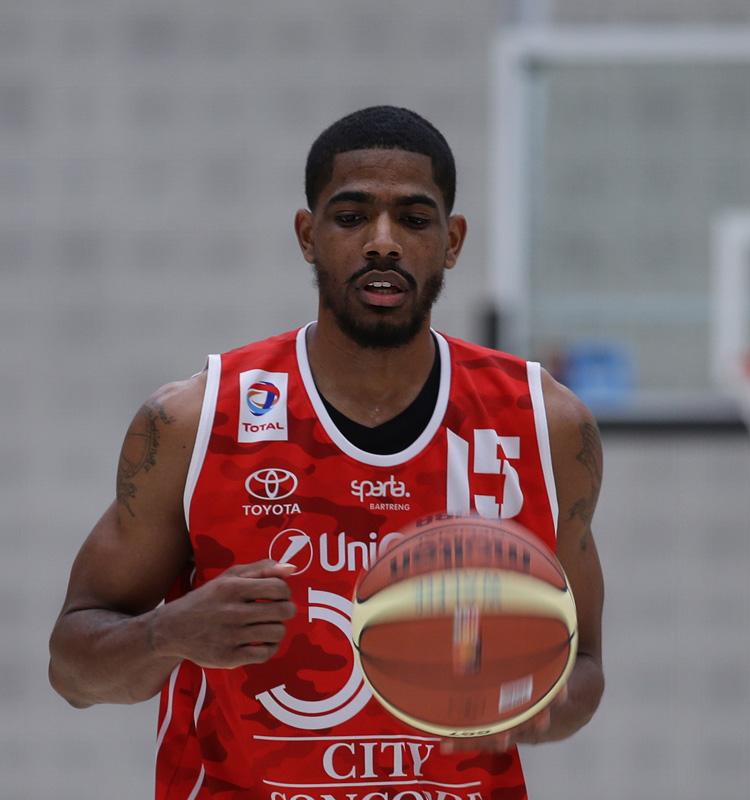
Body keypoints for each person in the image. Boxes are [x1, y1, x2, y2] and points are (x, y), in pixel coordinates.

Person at [48, 105, 605, 800]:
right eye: (351, 217)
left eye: (414, 218)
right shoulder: (196, 421)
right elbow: (71, 671)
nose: (383, 242)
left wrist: (538, 707)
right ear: (308, 236)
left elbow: (583, 665)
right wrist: (167, 632)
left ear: (453, 241)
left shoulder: (544, 426)